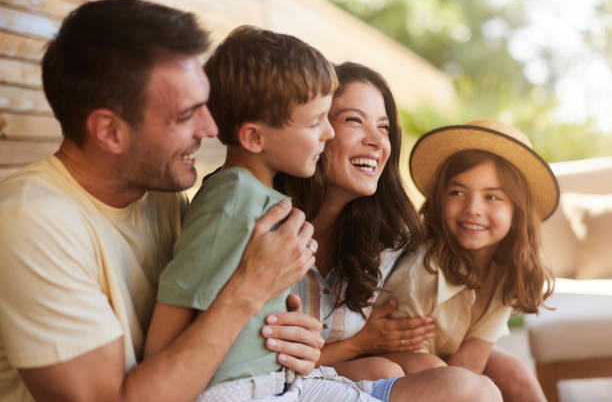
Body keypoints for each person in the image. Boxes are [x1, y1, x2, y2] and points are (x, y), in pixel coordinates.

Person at [0, 0, 324, 401]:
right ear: (111, 131)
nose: (211, 127)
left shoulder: (160, 198)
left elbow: (201, 328)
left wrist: (282, 337)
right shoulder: (31, 221)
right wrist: (249, 291)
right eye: (187, 114)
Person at [278, 62, 502, 402]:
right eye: (354, 120)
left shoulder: (386, 236)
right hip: (269, 385)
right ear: (314, 127)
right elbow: (255, 363)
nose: (375, 141)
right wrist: (360, 343)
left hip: (330, 376)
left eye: (383, 128)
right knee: (418, 378)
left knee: (431, 370)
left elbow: (465, 236)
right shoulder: (269, 222)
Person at [144, 25, 337, 397]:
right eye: (315, 123)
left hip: (271, 380)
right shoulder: (232, 197)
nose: (328, 132)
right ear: (253, 138)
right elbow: (177, 293)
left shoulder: (254, 194)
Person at [375, 118, 557, 401]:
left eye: (492, 197)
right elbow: (412, 356)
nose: (473, 209)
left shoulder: (508, 270)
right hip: (388, 360)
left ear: (517, 213)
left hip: (446, 355)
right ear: (439, 199)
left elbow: (469, 361)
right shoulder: (421, 271)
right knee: (437, 368)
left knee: (516, 373)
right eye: (458, 192)